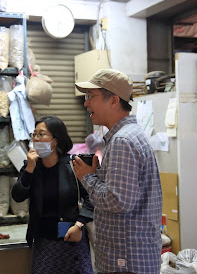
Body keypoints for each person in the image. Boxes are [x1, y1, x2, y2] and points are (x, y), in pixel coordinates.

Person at [73, 69, 163, 274]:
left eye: (91, 97)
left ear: (113, 101)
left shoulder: (123, 141)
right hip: (130, 258)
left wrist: (86, 177)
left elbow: (118, 200)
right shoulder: (129, 136)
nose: (86, 103)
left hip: (126, 261)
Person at [11, 115, 94, 274]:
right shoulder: (31, 167)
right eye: (34, 134)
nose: (36, 138)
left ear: (55, 140)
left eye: (41, 134)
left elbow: (91, 199)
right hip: (43, 242)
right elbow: (17, 196)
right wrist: (29, 169)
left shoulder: (74, 165)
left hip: (72, 239)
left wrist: (79, 225)